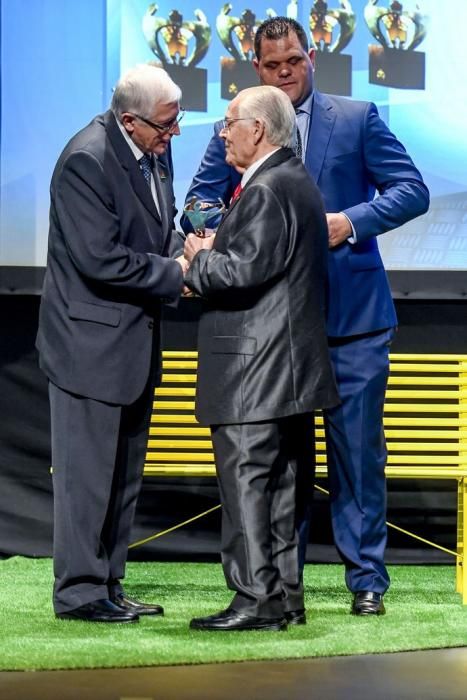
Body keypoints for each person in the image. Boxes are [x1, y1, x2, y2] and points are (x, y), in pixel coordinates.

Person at [181, 17, 430, 615]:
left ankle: (366, 579)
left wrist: (352, 222)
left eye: (294, 60)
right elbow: (195, 202)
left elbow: (411, 189)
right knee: (283, 459)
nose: (285, 72)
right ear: (256, 67)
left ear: (312, 55)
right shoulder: (242, 123)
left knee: (357, 453)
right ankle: (279, 587)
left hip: (353, 319)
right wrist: (219, 231)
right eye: (272, 65)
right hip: (276, 327)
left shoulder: (356, 117)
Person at [183, 85, 339, 632]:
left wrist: (201, 258)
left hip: (256, 371)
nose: (222, 133)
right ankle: (281, 599)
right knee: (280, 490)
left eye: (229, 123)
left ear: (258, 129)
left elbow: (240, 271)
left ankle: (254, 599)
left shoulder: (269, 189)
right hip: (286, 370)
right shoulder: (293, 181)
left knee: (250, 486)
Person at [36, 64, 187, 623]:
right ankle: (77, 592)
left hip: (134, 345)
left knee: (121, 477)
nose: (172, 136)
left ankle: (108, 584)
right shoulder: (86, 160)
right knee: (86, 478)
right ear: (130, 119)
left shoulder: (153, 145)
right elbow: (100, 260)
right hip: (87, 348)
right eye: (164, 126)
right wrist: (178, 274)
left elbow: (157, 225)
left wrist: (185, 244)